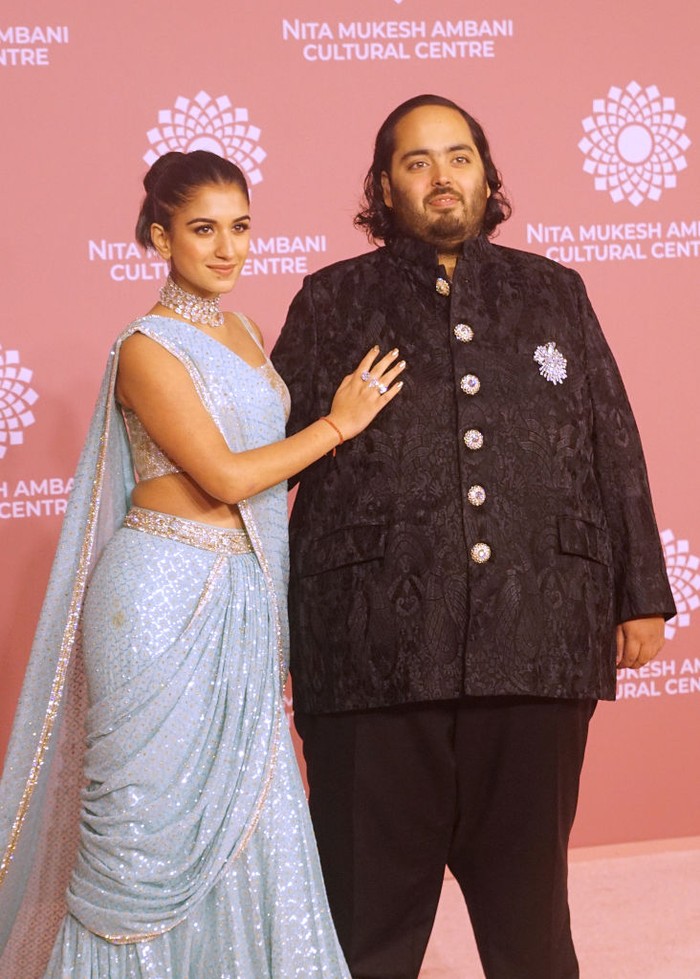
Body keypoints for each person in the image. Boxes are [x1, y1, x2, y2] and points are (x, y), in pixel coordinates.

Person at [271, 94, 676, 979]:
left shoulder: (555, 291)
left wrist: (640, 593)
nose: (442, 177)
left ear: (487, 177)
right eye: (416, 162)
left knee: (532, 933)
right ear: (384, 186)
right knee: (364, 935)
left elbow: (612, 440)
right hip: (370, 651)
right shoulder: (332, 299)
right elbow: (268, 463)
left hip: (538, 643)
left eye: (459, 157)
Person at [0, 150, 404, 978]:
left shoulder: (246, 331)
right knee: (144, 833)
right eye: (203, 229)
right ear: (161, 238)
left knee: (254, 813)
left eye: (241, 227)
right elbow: (222, 475)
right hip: (156, 600)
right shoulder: (146, 347)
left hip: (239, 594)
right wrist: (338, 424)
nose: (227, 248)